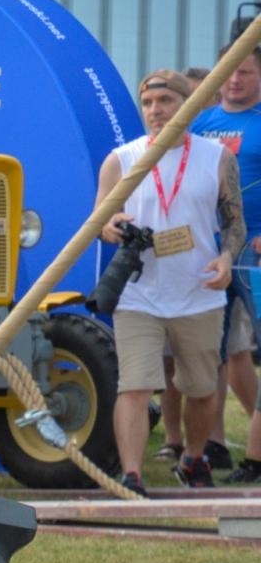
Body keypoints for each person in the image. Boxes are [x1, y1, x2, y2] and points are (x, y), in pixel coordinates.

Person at [99, 69, 244, 494]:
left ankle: (193, 457)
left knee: (200, 389)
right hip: (139, 294)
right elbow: (100, 220)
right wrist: (112, 225)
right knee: (135, 387)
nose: (155, 111)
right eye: (147, 103)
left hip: (199, 292)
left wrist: (226, 257)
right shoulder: (122, 159)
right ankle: (132, 474)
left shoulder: (217, 158)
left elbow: (234, 223)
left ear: (188, 105)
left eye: (165, 101)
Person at [190, 42, 261, 482]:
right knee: (207, 357)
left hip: (253, 257)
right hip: (211, 256)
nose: (234, 80)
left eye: (246, 73)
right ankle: (212, 446)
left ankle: (255, 458)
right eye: (228, 71)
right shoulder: (201, 120)